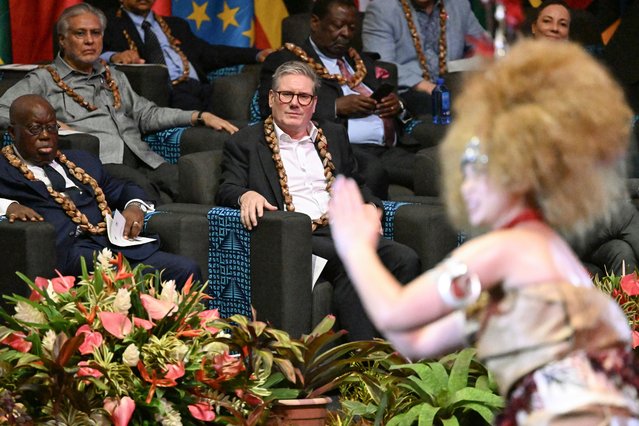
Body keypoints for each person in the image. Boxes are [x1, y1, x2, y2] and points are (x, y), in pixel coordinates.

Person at [328, 39, 639, 423]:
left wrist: (356, 246)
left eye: (480, 169)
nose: (466, 184)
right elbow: (413, 340)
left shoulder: (509, 249)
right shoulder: (545, 260)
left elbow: (394, 312)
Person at [216, 61, 421, 341]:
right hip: (296, 234)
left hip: (342, 228)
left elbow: (357, 184)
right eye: (286, 95)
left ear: (314, 104)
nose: (294, 103)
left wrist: (370, 207)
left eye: (304, 97)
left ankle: (401, 350)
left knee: (405, 259)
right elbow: (227, 187)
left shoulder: (333, 135)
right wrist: (245, 195)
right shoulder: (246, 142)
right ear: (272, 98)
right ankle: (362, 367)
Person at [0, 3, 238, 204]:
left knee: (190, 183)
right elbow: (2, 110)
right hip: (99, 165)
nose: (90, 41)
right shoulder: (44, 79)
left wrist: (198, 116)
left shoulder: (113, 75)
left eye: (96, 33)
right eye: (80, 34)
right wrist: (51, 126)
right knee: (146, 192)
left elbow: (147, 114)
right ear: (62, 40)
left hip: (142, 157)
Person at [1, 94, 202, 286]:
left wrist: (134, 207)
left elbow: (124, 188)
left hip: (111, 242)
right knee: (124, 276)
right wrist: (9, 206)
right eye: (34, 129)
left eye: (51, 128)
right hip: (67, 252)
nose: (45, 136)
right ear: (12, 132)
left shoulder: (82, 161)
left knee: (186, 269)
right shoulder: (4, 167)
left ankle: (194, 323)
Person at [258, 0, 415, 200]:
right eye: (337, 26)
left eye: (351, 28)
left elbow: (401, 108)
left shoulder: (360, 61)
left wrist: (397, 106)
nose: (346, 34)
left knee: (438, 166)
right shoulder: (287, 60)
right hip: (338, 148)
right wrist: (335, 107)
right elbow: (269, 106)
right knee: (374, 170)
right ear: (315, 23)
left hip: (389, 148)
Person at [102, 0, 273, 112]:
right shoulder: (109, 25)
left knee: (234, 104)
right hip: (166, 93)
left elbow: (210, 53)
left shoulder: (176, 25)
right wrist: (114, 56)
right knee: (193, 110)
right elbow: (88, 54)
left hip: (199, 86)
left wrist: (256, 54)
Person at [361, 0, 487, 117]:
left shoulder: (458, 5)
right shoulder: (382, 8)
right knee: (437, 103)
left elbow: (484, 49)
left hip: (451, 87)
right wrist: (429, 88)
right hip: (406, 93)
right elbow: (382, 65)